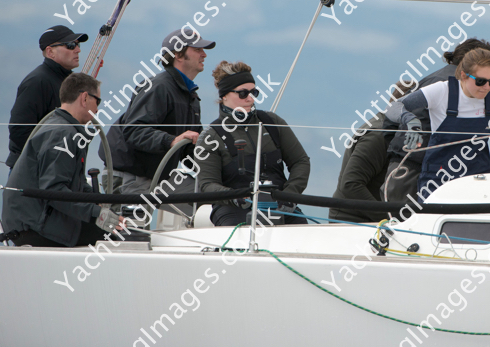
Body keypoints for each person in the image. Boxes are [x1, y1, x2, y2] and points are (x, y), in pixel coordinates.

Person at [2, 73, 123, 247]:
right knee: (114, 236)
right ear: (84, 98)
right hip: (34, 226)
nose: (97, 109)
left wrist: (98, 202)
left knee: (110, 230)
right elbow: (54, 190)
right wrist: (97, 212)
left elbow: (72, 184)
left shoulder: (59, 127)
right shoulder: (63, 134)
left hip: (33, 219)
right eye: (98, 101)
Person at [392, 48, 490, 201]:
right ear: (463, 75)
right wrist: (410, 120)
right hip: (438, 179)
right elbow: (395, 106)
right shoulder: (441, 91)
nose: (487, 87)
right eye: (480, 81)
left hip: (479, 179)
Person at [195, 61, 311, 226]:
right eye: (243, 93)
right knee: (241, 237)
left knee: (304, 237)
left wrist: (290, 195)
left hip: (279, 205)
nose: (250, 98)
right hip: (232, 209)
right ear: (224, 95)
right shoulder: (210, 137)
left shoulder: (273, 122)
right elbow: (207, 184)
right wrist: (237, 198)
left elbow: (301, 161)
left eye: (254, 92)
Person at [101, 28, 215, 194]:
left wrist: (221, 164)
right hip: (131, 176)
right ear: (178, 55)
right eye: (197, 49)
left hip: (159, 178)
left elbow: (189, 151)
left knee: (209, 195)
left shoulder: (190, 96)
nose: (204, 54)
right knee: (135, 219)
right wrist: (171, 140)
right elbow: (133, 131)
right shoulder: (158, 87)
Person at [5, 25, 88, 169]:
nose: (78, 50)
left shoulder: (67, 82)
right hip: (32, 170)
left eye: (77, 45)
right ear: (50, 52)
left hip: (55, 168)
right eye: (70, 45)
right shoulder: (37, 81)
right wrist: (50, 157)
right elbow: (19, 131)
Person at [329, 113, 398, 223]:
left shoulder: (390, 128)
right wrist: (388, 220)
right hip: (354, 222)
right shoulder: (379, 135)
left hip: (368, 220)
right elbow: (350, 184)